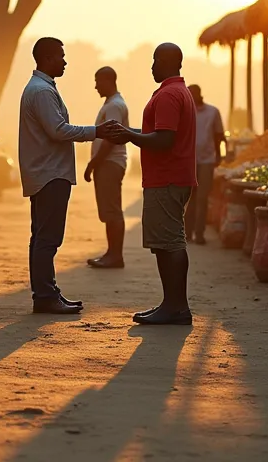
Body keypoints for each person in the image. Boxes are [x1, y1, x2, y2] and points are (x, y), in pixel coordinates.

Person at [18, 37, 120, 315]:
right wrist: (95, 132)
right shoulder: (41, 91)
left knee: (42, 237)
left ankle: (46, 293)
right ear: (47, 58)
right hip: (50, 173)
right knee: (47, 238)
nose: (64, 61)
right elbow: (58, 130)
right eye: (61, 56)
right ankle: (45, 295)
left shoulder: (42, 88)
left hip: (46, 171)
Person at [107, 43, 196, 325]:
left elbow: (164, 139)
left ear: (166, 61)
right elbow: (156, 133)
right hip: (170, 177)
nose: (151, 66)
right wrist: (128, 133)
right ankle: (171, 304)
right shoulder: (178, 91)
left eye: (155, 60)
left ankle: (176, 307)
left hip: (167, 178)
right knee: (165, 243)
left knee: (170, 243)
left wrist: (130, 137)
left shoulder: (170, 94)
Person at [85, 67, 129, 269]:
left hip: (110, 163)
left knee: (112, 210)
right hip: (107, 163)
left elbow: (110, 139)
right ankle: (111, 253)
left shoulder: (114, 106)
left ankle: (115, 255)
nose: (95, 86)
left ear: (109, 80)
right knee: (109, 210)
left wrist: (92, 164)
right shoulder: (111, 104)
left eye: (98, 81)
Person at [183, 84, 225, 244]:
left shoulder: (212, 112)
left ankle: (199, 233)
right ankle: (187, 232)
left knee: (202, 198)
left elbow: (219, 135)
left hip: (207, 159)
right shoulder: (185, 112)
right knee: (189, 198)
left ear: (200, 95)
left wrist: (220, 156)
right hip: (188, 160)